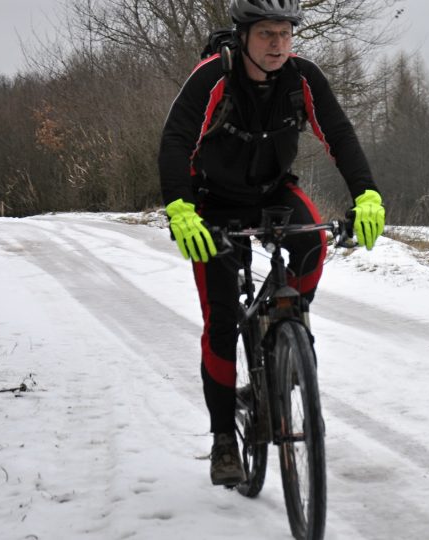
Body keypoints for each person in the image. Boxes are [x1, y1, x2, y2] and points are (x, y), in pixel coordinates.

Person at [158, 0, 385, 486]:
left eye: (285, 33)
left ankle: (289, 331)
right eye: (267, 34)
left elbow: (339, 134)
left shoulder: (302, 77)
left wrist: (366, 194)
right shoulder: (212, 77)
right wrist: (180, 210)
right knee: (220, 320)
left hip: (272, 192)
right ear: (244, 37)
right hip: (212, 203)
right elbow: (176, 141)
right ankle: (224, 440)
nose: (278, 44)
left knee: (312, 245)